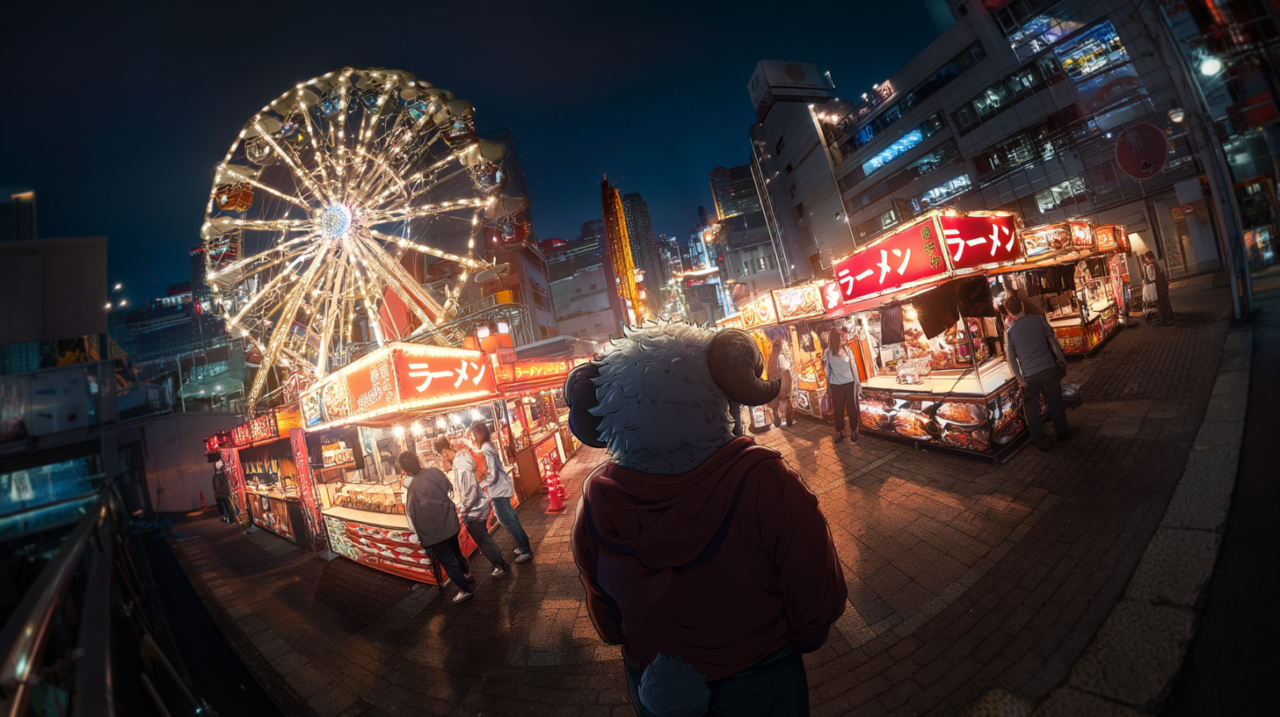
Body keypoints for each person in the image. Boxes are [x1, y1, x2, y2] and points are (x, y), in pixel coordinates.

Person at [565, 323, 846, 717]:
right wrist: (809, 631)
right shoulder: (763, 479)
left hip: (654, 683)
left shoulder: (597, 504)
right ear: (715, 399)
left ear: (614, 411)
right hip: (759, 671)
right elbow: (813, 575)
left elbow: (605, 612)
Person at [399, 451, 474, 604]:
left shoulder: (412, 487)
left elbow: (411, 513)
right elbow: (448, 487)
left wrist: (417, 532)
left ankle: (465, 589)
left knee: (448, 560)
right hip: (449, 521)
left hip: (434, 531)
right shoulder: (434, 472)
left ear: (405, 468)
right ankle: (466, 574)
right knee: (456, 551)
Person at [433, 435, 510, 577]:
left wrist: (463, 508)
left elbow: (470, 491)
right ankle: (499, 563)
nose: (441, 459)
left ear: (443, 452)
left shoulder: (461, 465)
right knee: (484, 539)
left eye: (440, 455)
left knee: (483, 540)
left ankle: (500, 565)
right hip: (477, 506)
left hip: (474, 509)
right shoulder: (460, 459)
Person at [1002, 295, 1069, 450]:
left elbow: (1011, 359)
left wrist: (1020, 378)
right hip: (1049, 369)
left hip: (1030, 376)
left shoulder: (1010, 332)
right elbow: (1053, 341)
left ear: (1009, 312)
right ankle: (1062, 433)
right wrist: (1061, 359)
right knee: (1056, 402)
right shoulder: (1039, 320)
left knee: (1031, 409)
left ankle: (1038, 439)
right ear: (1022, 306)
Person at [467, 421, 533, 564]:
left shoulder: (486, 449)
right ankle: (523, 546)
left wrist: (480, 485)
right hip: (498, 489)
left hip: (499, 490)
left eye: (473, 434)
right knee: (508, 520)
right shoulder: (487, 446)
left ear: (479, 433)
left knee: (508, 520)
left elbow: (492, 475)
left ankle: (525, 549)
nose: (472, 437)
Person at [823, 329, 861, 444]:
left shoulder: (848, 350)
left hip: (849, 384)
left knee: (851, 407)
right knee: (838, 409)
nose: (843, 338)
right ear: (835, 338)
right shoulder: (827, 352)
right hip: (836, 385)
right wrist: (828, 386)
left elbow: (854, 367)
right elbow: (827, 370)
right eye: (840, 336)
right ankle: (839, 431)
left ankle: (854, 429)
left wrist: (857, 383)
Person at [767, 338, 793, 428]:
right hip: (782, 382)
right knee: (786, 400)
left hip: (774, 383)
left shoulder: (771, 357)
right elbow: (784, 367)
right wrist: (789, 362)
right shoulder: (780, 356)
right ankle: (788, 419)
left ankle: (776, 420)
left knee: (775, 404)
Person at [1142, 251, 1174, 325]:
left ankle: (1163, 320)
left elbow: (1152, 278)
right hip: (1163, 287)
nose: (1145, 259)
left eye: (1146, 257)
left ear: (1148, 257)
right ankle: (1169, 317)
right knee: (1165, 303)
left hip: (1157, 288)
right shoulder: (1157, 264)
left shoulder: (1151, 265)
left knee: (1160, 305)